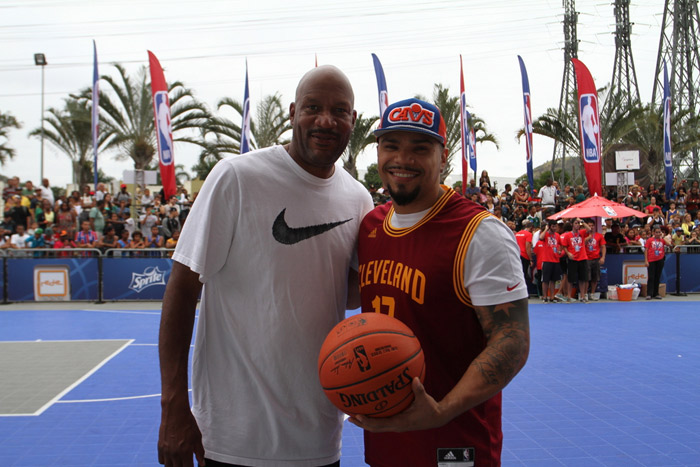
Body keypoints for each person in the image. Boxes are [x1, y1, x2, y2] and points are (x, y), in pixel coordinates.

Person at [157, 65, 373, 467]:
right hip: (232, 438)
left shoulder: (358, 198)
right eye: (313, 107)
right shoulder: (237, 178)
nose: (326, 120)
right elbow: (183, 288)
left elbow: (349, 293)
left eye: (339, 111)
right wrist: (173, 407)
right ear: (293, 112)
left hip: (319, 439)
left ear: (353, 121)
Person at [351, 98, 529, 467]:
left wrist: (442, 410)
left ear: (443, 156)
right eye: (391, 146)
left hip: (455, 441)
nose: (403, 159)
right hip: (386, 441)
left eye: (420, 148)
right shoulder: (369, 227)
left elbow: (512, 340)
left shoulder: (480, 233)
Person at [560, 218, 591, 302]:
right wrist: (568, 253)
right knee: (571, 279)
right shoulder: (568, 235)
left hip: (582, 257)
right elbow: (564, 246)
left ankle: (582, 296)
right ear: (572, 224)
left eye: (578, 223)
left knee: (582, 278)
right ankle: (569, 296)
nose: (577, 225)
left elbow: (589, 229)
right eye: (576, 223)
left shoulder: (582, 233)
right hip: (573, 258)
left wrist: (582, 222)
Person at [645, 225, 672, 300]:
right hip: (651, 260)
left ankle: (656, 293)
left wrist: (662, 237)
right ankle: (649, 293)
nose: (658, 234)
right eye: (656, 232)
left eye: (659, 232)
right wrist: (646, 260)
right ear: (653, 232)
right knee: (651, 277)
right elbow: (646, 250)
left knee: (657, 277)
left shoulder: (662, 240)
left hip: (660, 260)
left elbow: (669, 244)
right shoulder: (650, 240)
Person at [540, 220, 563, 303]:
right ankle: (545, 296)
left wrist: (560, 251)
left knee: (553, 280)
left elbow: (561, 245)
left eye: (555, 226)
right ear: (550, 226)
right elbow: (541, 238)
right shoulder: (545, 234)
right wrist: (546, 229)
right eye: (553, 226)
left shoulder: (557, 235)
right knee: (545, 280)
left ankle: (552, 296)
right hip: (547, 260)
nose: (555, 228)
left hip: (555, 259)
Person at [584, 219, 606, 301]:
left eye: (592, 225)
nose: (591, 227)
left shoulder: (599, 236)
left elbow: (603, 247)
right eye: (589, 225)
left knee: (595, 277)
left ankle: (592, 293)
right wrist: (588, 238)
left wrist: (603, 257)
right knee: (586, 278)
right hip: (586, 258)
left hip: (596, 258)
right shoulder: (583, 235)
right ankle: (585, 294)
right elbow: (582, 244)